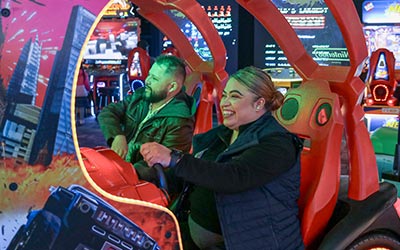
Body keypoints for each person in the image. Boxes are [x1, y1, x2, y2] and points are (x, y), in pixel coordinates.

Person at [140, 66, 304, 250]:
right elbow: (198, 173)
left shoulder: (277, 144)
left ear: (259, 104)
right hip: (194, 233)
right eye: (224, 95)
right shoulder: (225, 134)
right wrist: (143, 177)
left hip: (251, 242)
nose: (224, 102)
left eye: (234, 96)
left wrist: (174, 159)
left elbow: (232, 177)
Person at [97, 55, 196, 190]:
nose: (147, 81)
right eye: (149, 75)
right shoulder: (142, 96)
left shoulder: (179, 119)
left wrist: (124, 173)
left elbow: (166, 167)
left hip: (142, 183)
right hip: (121, 167)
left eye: (154, 78)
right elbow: (108, 112)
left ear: (172, 87)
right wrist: (117, 136)